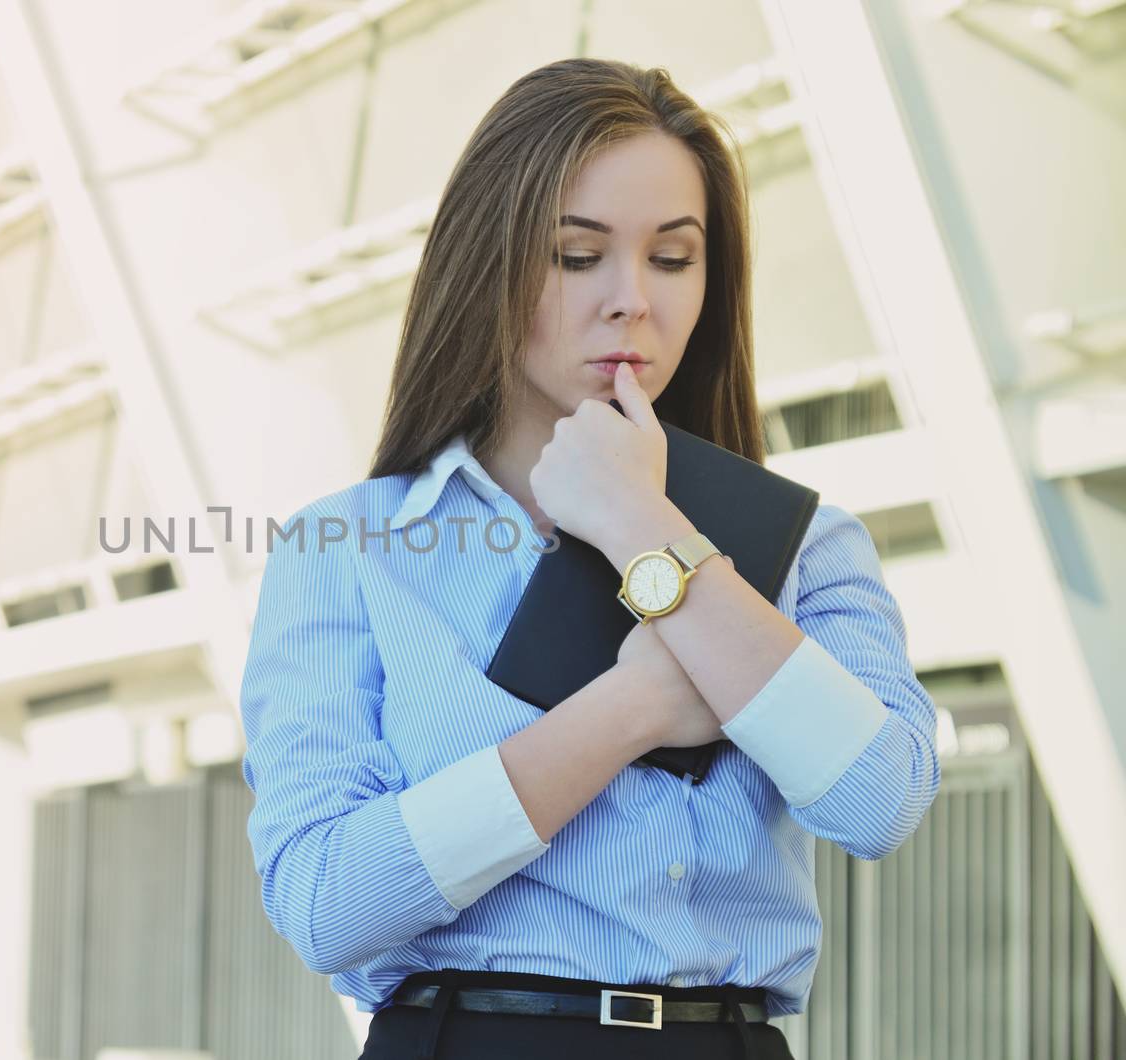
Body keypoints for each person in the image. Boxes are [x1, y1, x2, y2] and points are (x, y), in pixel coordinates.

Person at [237, 57, 941, 1060]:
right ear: (492, 260)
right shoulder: (350, 548)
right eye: (577, 256)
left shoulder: (804, 549)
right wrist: (631, 710)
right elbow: (323, 902)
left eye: (671, 256)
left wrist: (643, 529)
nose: (631, 302)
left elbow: (880, 800)